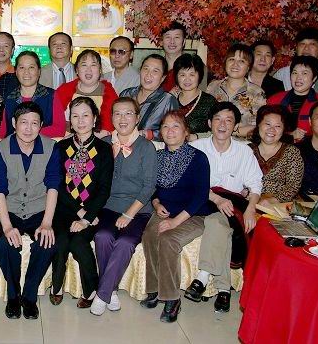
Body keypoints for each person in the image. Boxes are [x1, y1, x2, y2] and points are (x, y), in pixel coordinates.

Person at [185, 102, 263, 313]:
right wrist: (216, 198)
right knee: (217, 220)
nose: (222, 124)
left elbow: (255, 184)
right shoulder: (197, 148)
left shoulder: (244, 151)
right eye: (218, 119)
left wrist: (250, 209)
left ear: (235, 126)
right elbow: (190, 183)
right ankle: (221, 288)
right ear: (209, 123)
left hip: (233, 204)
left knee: (218, 223)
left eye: (229, 120)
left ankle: (206, 280)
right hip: (203, 199)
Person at [0, 102, 60, 320]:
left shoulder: (51, 147)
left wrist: (47, 223)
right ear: (14, 123)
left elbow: (53, 186)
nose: (28, 129)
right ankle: (13, 296)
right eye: (23, 122)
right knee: (4, 244)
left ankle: (29, 296)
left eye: (34, 123)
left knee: (47, 243)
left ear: (41, 125)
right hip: (10, 209)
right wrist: (7, 226)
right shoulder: (1, 149)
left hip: (39, 209)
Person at [140, 111, 211, 323]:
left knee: (168, 239)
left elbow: (201, 196)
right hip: (164, 210)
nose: (170, 131)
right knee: (149, 235)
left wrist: (174, 222)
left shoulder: (198, 158)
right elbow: (152, 188)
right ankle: (154, 289)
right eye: (165, 126)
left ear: (186, 132)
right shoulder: (158, 156)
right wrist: (156, 203)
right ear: (160, 132)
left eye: (176, 126)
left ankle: (172, 298)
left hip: (193, 214)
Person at [90, 97, 157, 316]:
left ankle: (102, 293)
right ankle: (111, 290)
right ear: (111, 118)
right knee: (102, 236)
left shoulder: (146, 147)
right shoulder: (103, 144)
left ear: (137, 118)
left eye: (128, 113)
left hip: (138, 209)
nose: (123, 118)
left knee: (126, 242)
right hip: (108, 206)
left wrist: (128, 215)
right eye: (117, 113)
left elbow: (149, 186)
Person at [49, 97, 113, 308]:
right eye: (75, 116)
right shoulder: (61, 147)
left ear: (94, 119)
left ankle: (92, 288)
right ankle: (56, 285)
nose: (81, 120)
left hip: (92, 210)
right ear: (70, 120)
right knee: (60, 240)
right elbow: (57, 185)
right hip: (64, 208)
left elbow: (104, 189)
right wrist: (79, 212)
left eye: (86, 115)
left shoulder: (104, 149)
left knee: (78, 242)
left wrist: (87, 217)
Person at [0, 51, 65, 138]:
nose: (26, 72)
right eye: (22, 67)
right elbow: (3, 132)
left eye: (31, 67)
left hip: (44, 145)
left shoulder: (51, 95)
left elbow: (59, 129)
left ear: (39, 71)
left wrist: (26, 133)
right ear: (16, 72)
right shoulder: (10, 98)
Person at [206, 43, 266, 139]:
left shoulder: (257, 92)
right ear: (225, 63)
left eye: (241, 61)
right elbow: (206, 118)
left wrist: (228, 131)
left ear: (248, 67)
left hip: (242, 144)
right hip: (213, 142)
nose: (235, 64)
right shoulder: (213, 86)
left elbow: (259, 126)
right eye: (231, 59)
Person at [55, 49, 118, 137]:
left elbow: (114, 124)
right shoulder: (63, 91)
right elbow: (54, 121)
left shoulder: (110, 94)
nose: (89, 70)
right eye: (84, 65)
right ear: (77, 70)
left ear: (100, 70)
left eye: (93, 65)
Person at [249, 105, 304, 205]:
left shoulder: (291, 152)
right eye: (268, 124)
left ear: (283, 130)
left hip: (280, 205)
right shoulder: (246, 151)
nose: (271, 129)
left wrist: (273, 200)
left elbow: (293, 186)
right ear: (258, 125)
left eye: (278, 126)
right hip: (248, 201)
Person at [119, 54, 179, 140]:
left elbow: (175, 131)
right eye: (146, 69)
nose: (148, 74)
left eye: (155, 71)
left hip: (151, 147)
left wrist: (149, 134)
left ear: (163, 77)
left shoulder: (168, 100)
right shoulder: (126, 94)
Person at [267, 56, 318, 142]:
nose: (298, 78)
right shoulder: (274, 100)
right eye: (295, 73)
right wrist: (289, 136)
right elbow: (264, 129)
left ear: (314, 78)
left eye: (304, 73)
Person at [169, 53, 216, 139]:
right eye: (182, 75)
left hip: (201, 146)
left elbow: (217, 131)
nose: (187, 79)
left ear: (199, 76)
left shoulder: (209, 102)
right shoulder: (170, 100)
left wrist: (197, 137)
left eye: (192, 74)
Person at [159, 22, 187, 91]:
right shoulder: (156, 66)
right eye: (168, 37)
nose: (172, 42)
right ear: (161, 41)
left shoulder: (195, 66)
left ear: (184, 42)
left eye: (177, 37)